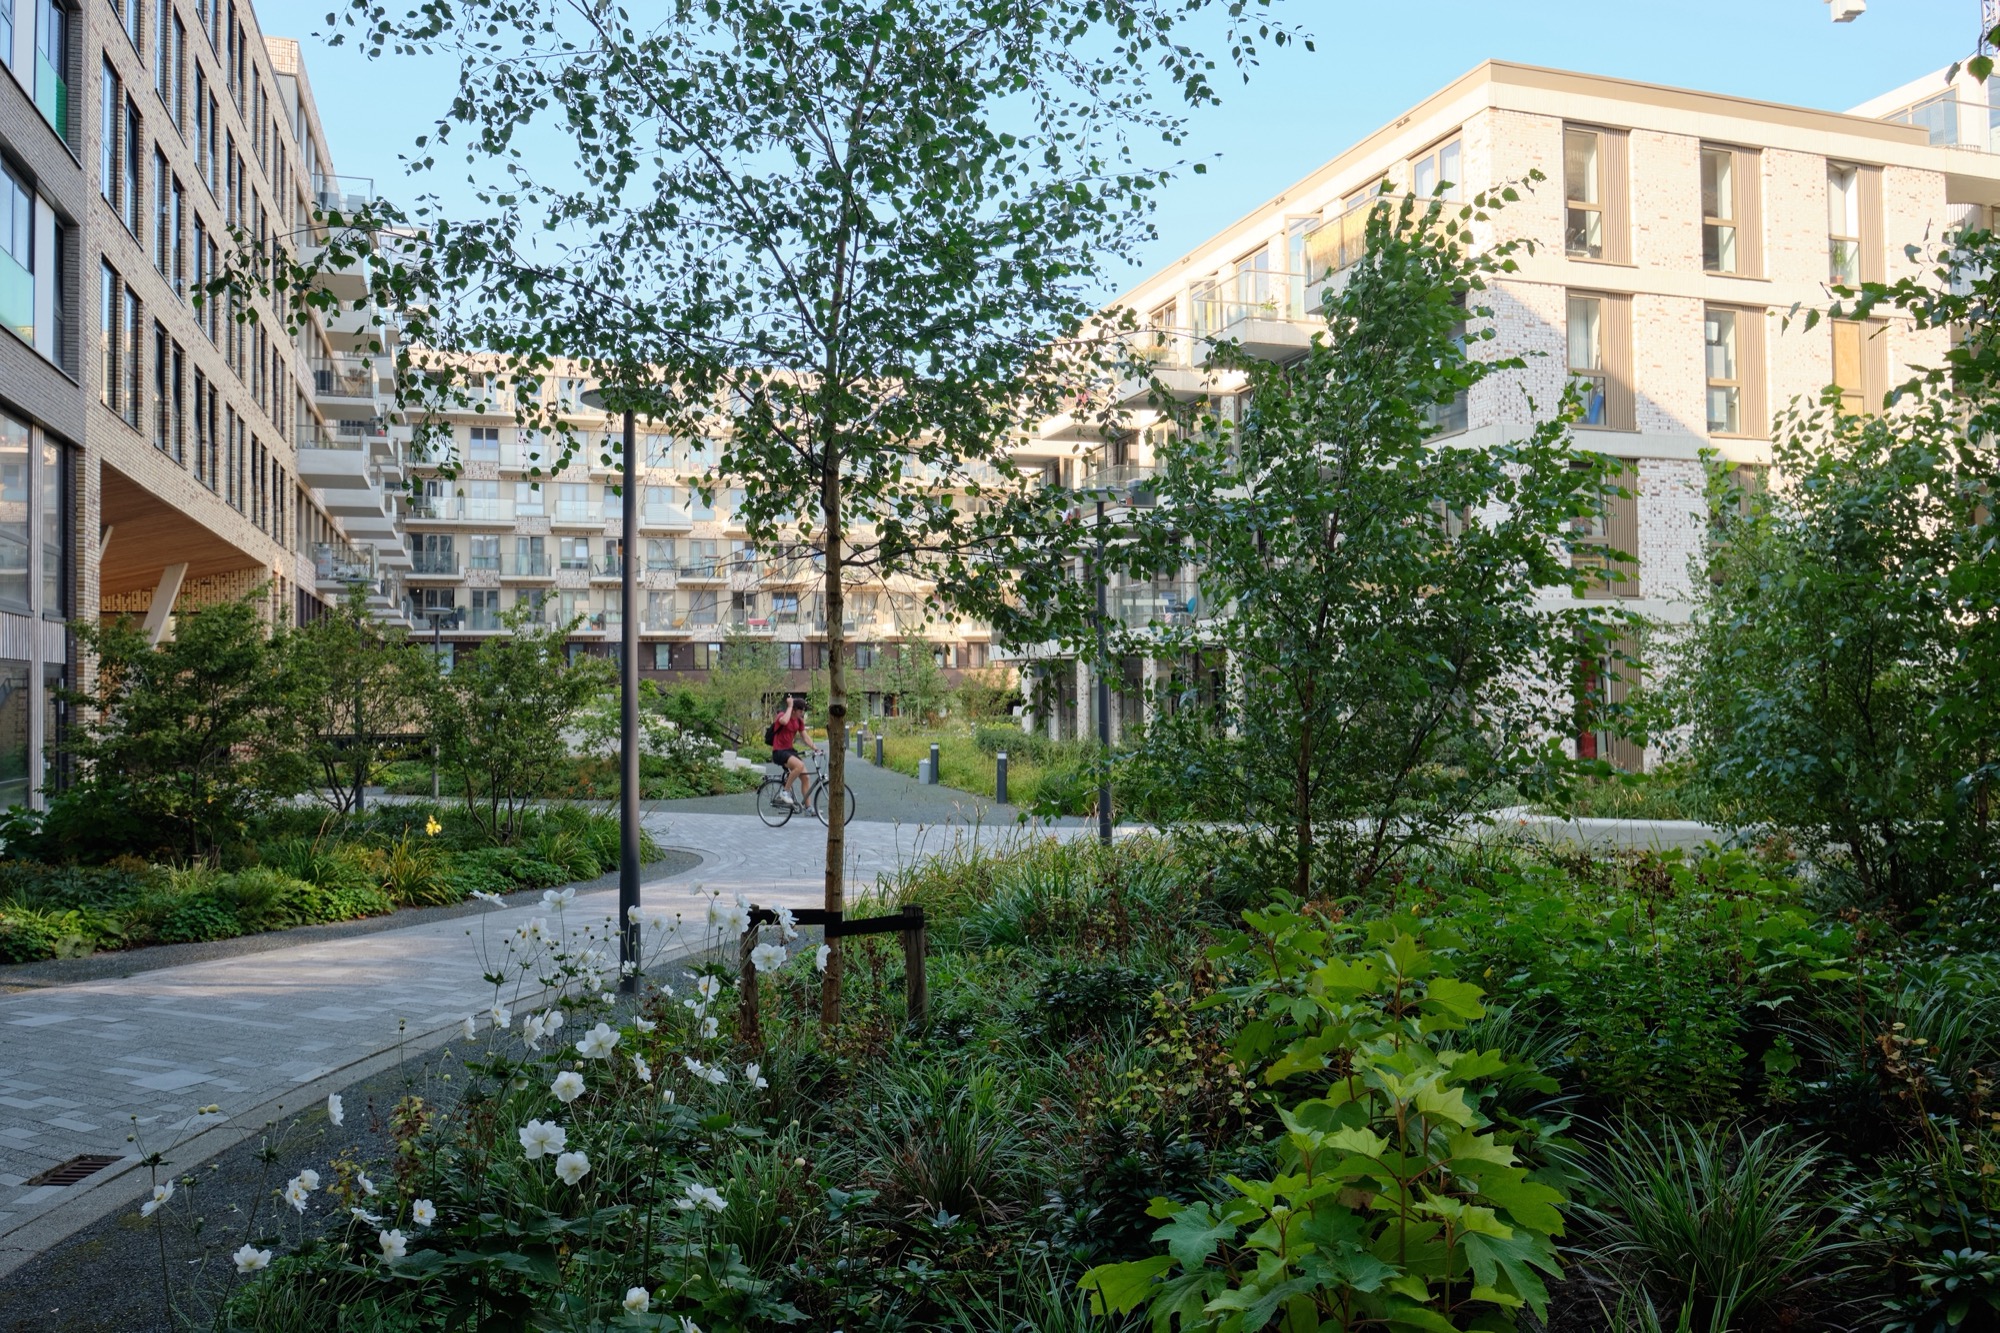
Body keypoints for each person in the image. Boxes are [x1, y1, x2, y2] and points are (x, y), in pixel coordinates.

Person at [769, 697, 817, 808]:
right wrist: (789, 706)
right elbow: (784, 721)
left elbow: (805, 737)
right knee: (799, 766)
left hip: (789, 751)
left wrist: (816, 748)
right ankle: (785, 791)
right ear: (794, 710)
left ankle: (808, 807)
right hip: (779, 751)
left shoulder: (799, 721)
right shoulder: (782, 716)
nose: (802, 713)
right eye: (800, 711)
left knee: (806, 777)